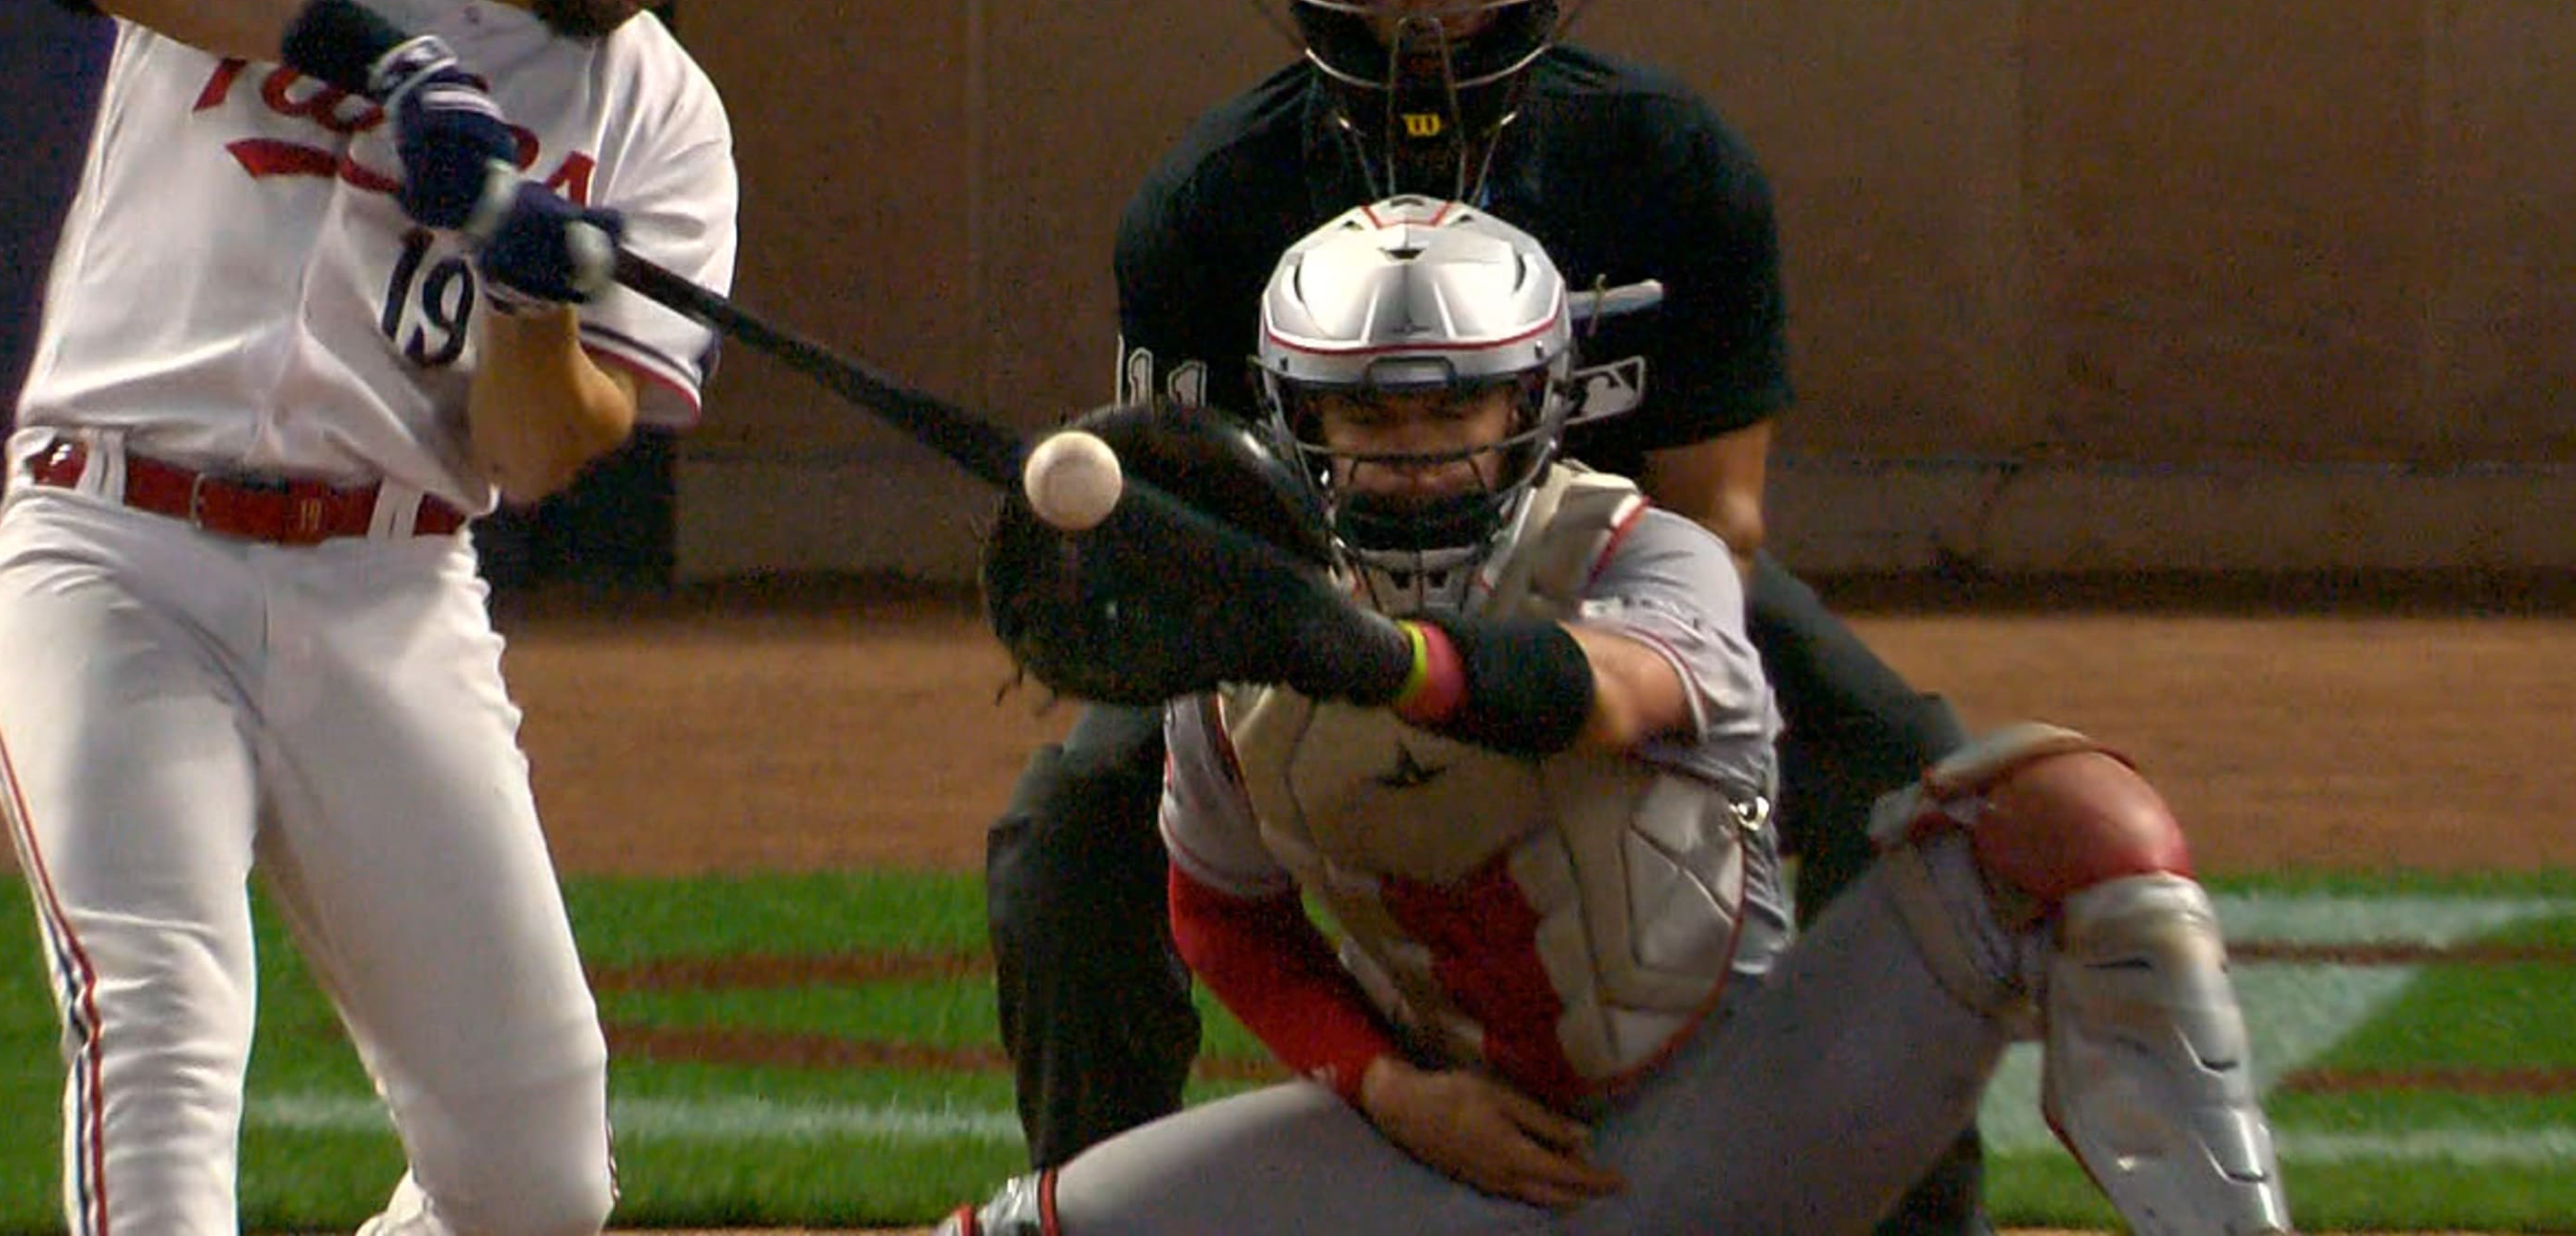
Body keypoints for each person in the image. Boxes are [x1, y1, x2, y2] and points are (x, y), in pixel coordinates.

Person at [983, 0, 1988, 1231]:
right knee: (1071, 828)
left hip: (1609, 579)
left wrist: (1551, 670)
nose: (1424, 16)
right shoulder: (1209, 202)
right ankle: (1112, 1193)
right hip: (1302, 586)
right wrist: (1315, 626)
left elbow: (1718, 519)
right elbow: (1178, 531)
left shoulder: (1669, 162)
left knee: (1903, 767)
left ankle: (1915, 1214)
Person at [943, 199, 2289, 1236]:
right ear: (1299, 420)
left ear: (1535, 404)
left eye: (1454, 403)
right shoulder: (1243, 657)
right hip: (1451, 1145)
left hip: (1750, 1123)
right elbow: (1221, 917)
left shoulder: (1645, 555)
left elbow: (1596, 695)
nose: (1412, 447)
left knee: (2071, 816)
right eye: (1365, 411)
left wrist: (1364, 652)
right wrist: (1397, 1095)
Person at [0, 0, 816, 1236]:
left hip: (388, 587)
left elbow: (542, 455)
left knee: (535, 1174)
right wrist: (388, 60)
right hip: (116, 555)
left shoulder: (662, 118)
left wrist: (529, 292)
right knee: (160, 1018)